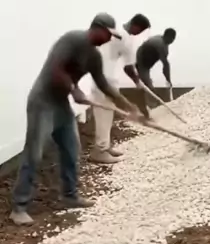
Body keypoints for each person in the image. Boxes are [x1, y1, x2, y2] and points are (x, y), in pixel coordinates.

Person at [10, 13, 142, 226]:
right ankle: (19, 207)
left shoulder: (94, 56)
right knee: (34, 152)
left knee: (72, 148)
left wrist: (128, 105)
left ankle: (69, 196)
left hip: (61, 104)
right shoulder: (72, 40)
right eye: (108, 34)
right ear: (97, 28)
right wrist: (74, 89)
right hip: (42, 102)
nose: (110, 39)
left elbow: (103, 84)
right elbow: (56, 68)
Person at [90, 13, 151, 164]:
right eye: (140, 31)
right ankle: (100, 152)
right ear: (136, 26)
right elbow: (128, 67)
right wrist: (137, 82)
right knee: (104, 116)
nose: (138, 34)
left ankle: (105, 147)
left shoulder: (115, 33)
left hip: (102, 79)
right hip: (105, 82)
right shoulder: (125, 39)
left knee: (107, 115)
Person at [135, 28, 177, 116]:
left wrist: (168, 79)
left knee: (147, 84)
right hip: (141, 61)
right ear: (168, 37)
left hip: (145, 63)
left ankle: (148, 106)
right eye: (172, 39)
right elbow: (165, 65)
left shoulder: (163, 44)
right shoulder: (160, 44)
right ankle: (149, 110)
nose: (173, 41)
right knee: (148, 86)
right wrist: (168, 80)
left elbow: (165, 66)